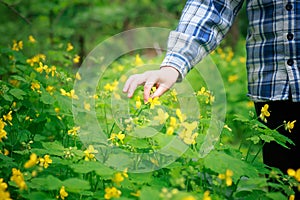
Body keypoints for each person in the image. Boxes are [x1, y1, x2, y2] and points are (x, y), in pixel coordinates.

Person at [123, 0, 299, 196]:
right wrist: (173, 65)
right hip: (275, 87)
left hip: (274, 85)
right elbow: (211, 4)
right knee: (284, 187)